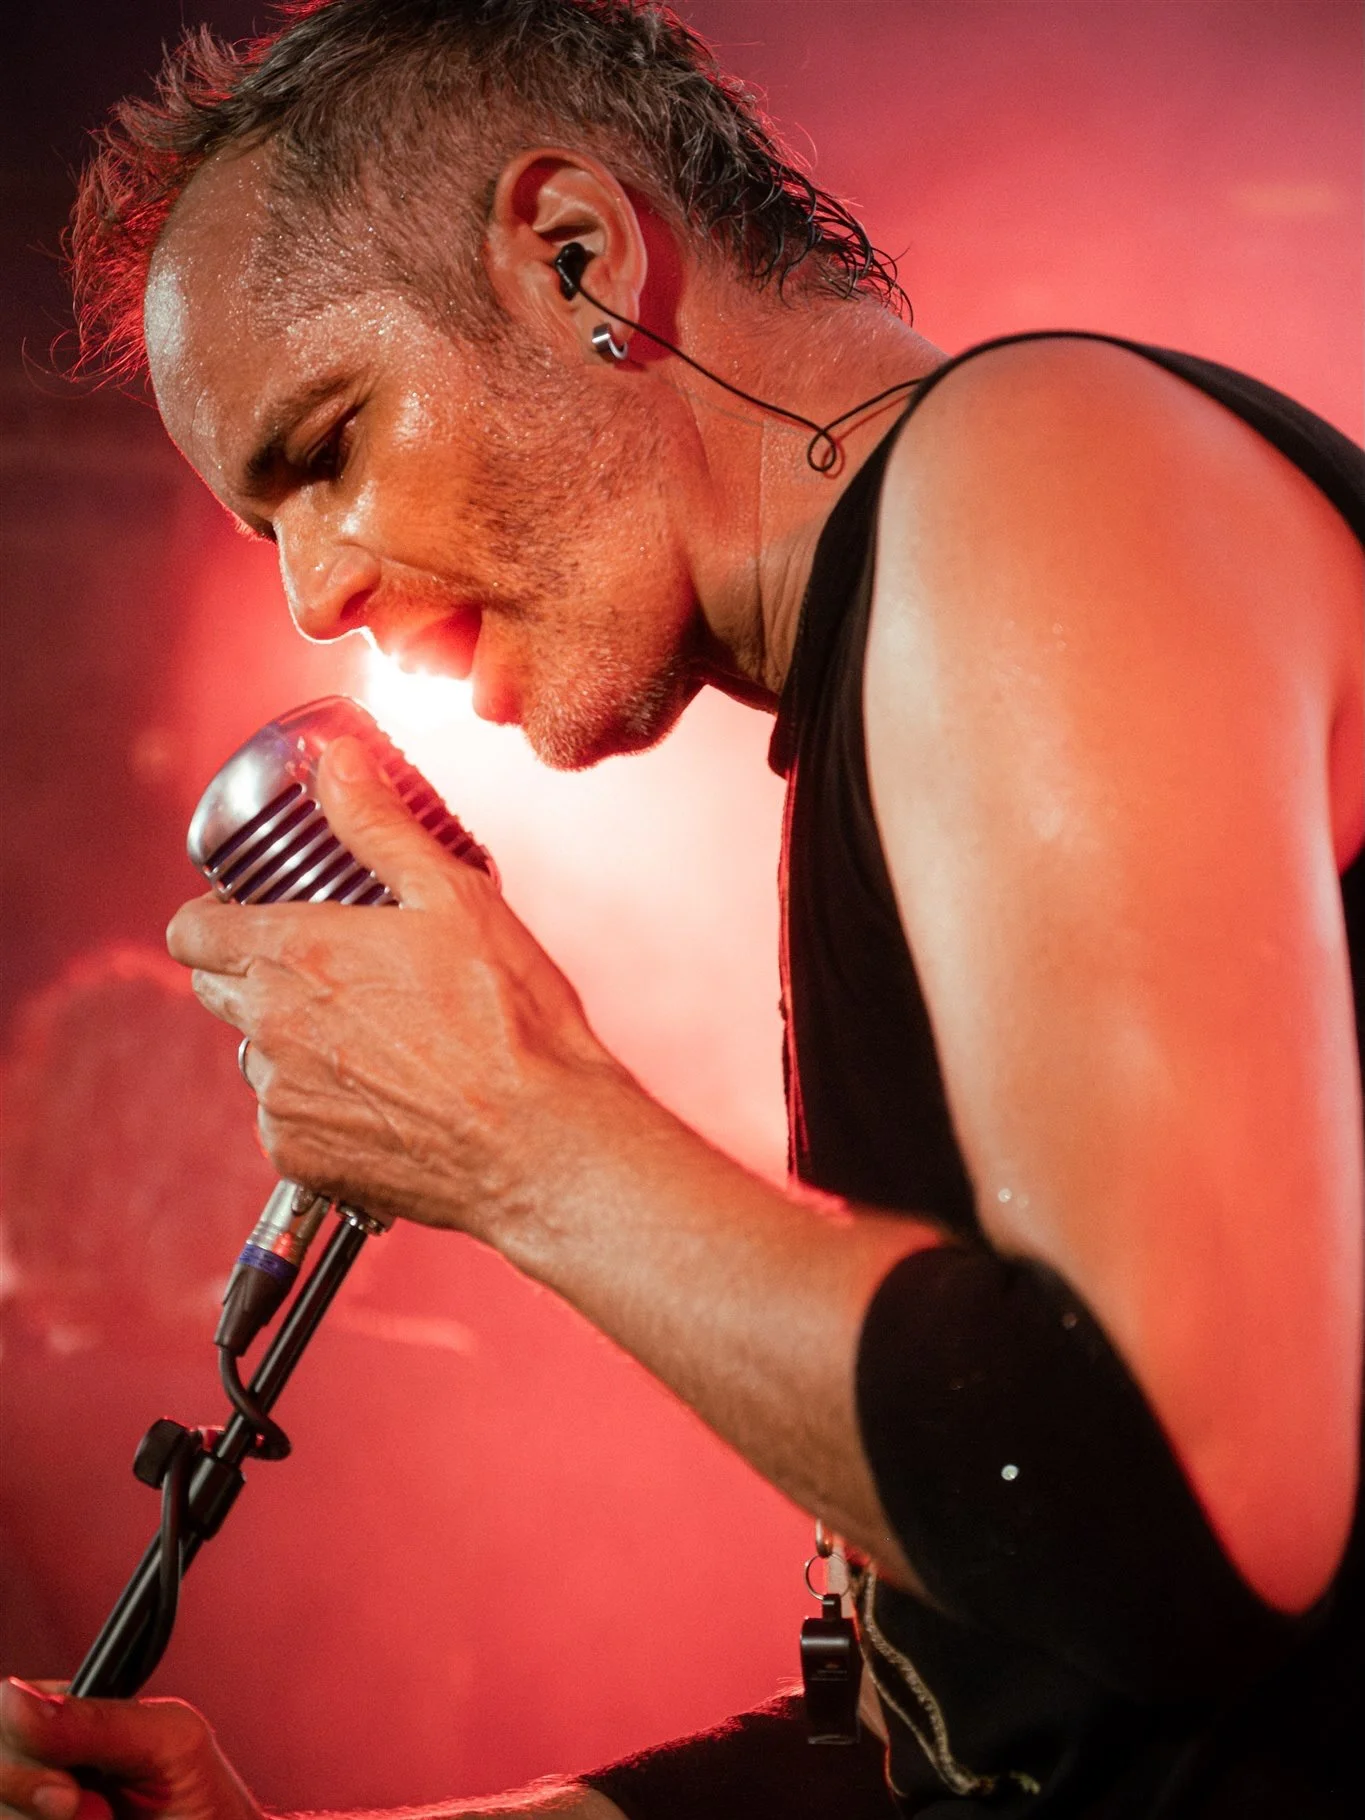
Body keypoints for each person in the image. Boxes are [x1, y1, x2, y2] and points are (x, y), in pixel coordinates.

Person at [4, 1, 1362, 1815]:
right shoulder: (875, 697)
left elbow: (1169, 1513)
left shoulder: (1037, 458)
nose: (318, 590)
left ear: (579, 257)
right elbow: (978, 1735)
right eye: (267, 532)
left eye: (324, 446)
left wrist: (507, 1128)